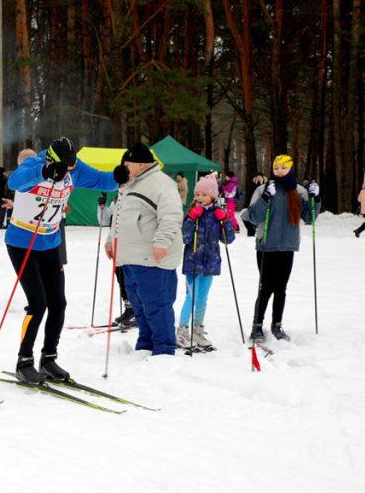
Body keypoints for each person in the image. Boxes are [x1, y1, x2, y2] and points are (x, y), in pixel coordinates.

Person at [8, 137, 118, 383]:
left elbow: (103, 180)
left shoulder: (74, 169)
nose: (71, 170)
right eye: (66, 166)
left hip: (50, 243)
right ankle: (24, 360)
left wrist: (119, 174)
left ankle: (48, 359)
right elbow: (14, 181)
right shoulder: (34, 164)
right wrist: (44, 171)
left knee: (59, 303)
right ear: (52, 159)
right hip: (22, 243)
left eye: (73, 166)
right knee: (38, 304)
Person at [104, 142, 184, 357]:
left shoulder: (161, 183)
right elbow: (119, 216)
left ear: (141, 164)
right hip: (129, 257)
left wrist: (162, 242)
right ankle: (146, 345)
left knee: (157, 305)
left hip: (152, 257)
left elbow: (172, 216)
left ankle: (164, 350)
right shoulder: (128, 184)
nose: (123, 167)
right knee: (140, 307)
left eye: (127, 163)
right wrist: (111, 239)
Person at [243, 155, 319, 343]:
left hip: (287, 246)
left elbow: (310, 218)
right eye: (276, 168)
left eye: (283, 168)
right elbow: (252, 216)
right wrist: (266, 198)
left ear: (290, 169)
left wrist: (315, 198)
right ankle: (257, 326)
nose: (279, 171)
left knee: (281, 288)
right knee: (265, 287)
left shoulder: (299, 191)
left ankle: (277, 324)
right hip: (266, 246)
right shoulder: (263, 189)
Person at [176, 174, 235, 350]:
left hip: (210, 262)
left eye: (204, 194)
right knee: (191, 296)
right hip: (193, 261)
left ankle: (198, 330)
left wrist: (225, 220)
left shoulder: (218, 214)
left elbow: (228, 239)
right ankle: (182, 331)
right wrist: (191, 218)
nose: (200, 198)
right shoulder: (193, 213)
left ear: (213, 196)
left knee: (202, 298)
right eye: (198, 194)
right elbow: (185, 237)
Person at [97, 192, 134, 328]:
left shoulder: (136, 196)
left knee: (131, 278)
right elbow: (105, 221)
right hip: (118, 244)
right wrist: (102, 207)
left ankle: (138, 309)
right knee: (121, 277)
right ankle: (129, 308)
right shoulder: (115, 201)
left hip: (133, 245)